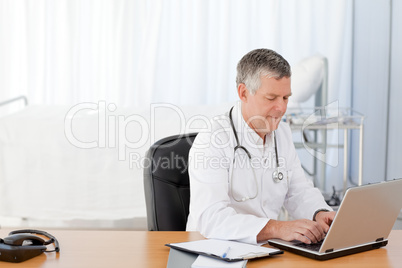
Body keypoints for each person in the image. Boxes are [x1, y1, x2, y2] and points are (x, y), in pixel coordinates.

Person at [186, 48, 336, 245]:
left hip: (265, 250)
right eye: (271, 98)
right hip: (214, 251)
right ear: (243, 92)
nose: (281, 108)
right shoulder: (213, 140)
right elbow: (211, 219)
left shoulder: (282, 134)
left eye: (285, 98)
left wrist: (319, 212)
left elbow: (298, 190)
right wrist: (277, 227)